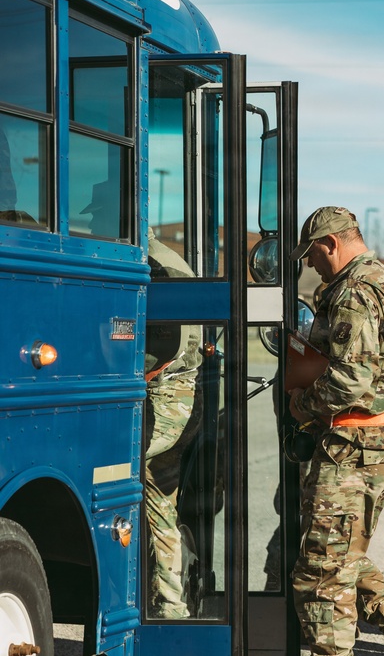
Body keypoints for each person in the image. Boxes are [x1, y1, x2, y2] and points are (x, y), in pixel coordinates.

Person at [286, 206, 384, 656]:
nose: (310, 264)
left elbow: (351, 379)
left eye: (311, 254)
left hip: (355, 442)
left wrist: (301, 405)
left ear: (331, 243)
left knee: (321, 574)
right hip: (376, 440)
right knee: (340, 552)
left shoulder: (353, 291)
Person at [144, 229, 203, 618]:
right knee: (160, 502)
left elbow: (168, 342)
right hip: (182, 399)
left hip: (166, 400)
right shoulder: (170, 257)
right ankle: (171, 606)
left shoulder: (152, 263)